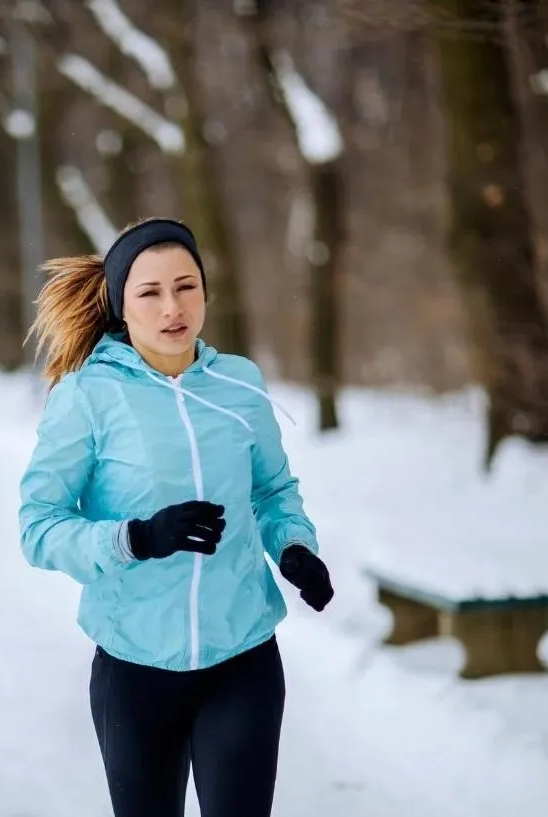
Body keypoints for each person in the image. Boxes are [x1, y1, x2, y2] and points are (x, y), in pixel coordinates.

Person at [17, 217, 333, 817]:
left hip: (242, 658)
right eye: (151, 292)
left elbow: (271, 490)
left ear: (206, 293)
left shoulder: (239, 384)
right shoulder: (88, 394)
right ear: (121, 305)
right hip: (135, 670)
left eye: (186, 287)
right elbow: (39, 526)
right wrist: (135, 538)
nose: (172, 307)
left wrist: (294, 548)